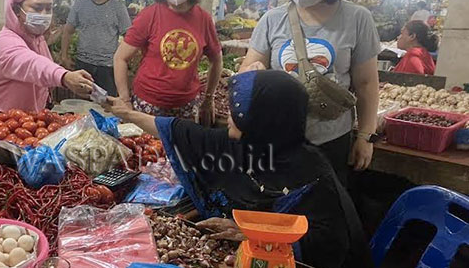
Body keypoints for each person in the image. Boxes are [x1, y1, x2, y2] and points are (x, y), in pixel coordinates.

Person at [107, 70, 374, 268]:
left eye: (240, 109)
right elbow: (181, 132)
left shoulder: (312, 177)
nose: (231, 113)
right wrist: (126, 112)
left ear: (264, 118)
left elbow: (328, 247)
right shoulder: (247, 142)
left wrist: (255, 234)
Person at [238, 0, 379, 184]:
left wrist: (365, 136)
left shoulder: (357, 19)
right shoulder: (273, 19)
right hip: (277, 137)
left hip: (331, 138)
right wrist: (253, 72)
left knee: (323, 208)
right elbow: (245, 73)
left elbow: (366, 84)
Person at [113, 0, 223, 125]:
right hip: (147, 106)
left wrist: (208, 98)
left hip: (186, 108)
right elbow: (120, 58)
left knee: (181, 152)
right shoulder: (150, 15)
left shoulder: (203, 19)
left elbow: (216, 60)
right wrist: (125, 100)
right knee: (145, 151)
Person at [0, 0, 94, 124]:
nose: (44, 14)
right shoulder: (6, 42)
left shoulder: (37, 39)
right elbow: (33, 65)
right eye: (37, 7)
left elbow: (42, 74)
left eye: (48, 9)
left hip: (23, 120)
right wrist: (64, 76)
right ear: (16, 9)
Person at [60, 0, 131, 96]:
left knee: (107, 105)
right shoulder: (80, 5)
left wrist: (122, 60)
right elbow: (68, 30)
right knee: (82, 104)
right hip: (83, 64)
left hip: (107, 68)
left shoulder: (118, 8)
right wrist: (64, 56)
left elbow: (129, 37)